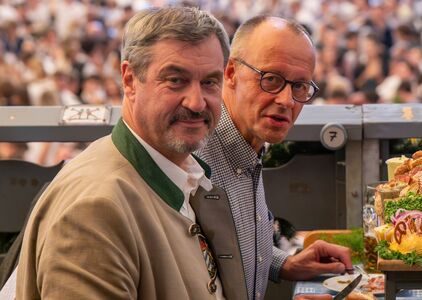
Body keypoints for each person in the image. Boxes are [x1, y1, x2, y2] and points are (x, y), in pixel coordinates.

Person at [13, 6, 247, 299]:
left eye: (210, 82)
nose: (197, 102)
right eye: (176, 80)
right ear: (129, 80)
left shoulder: (176, 173)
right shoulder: (94, 210)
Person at [194, 16, 352, 300]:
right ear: (230, 73)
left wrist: (285, 263)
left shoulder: (248, 144)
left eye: (300, 86)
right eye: (271, 80)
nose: (287, 101)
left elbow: (225, 254)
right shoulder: (194, 160)